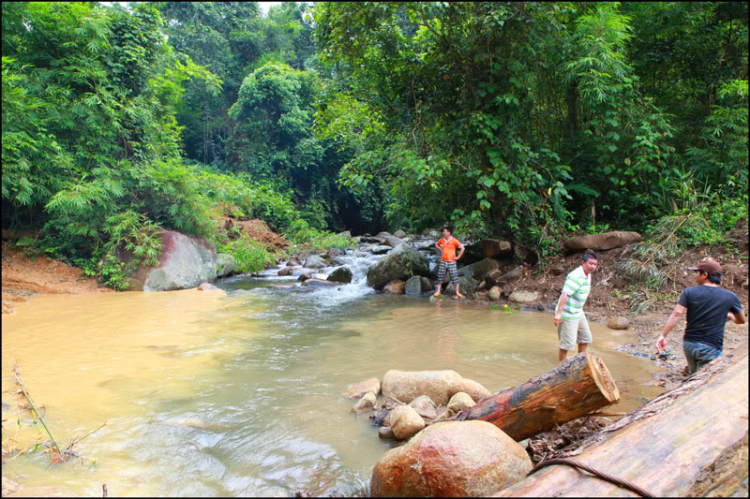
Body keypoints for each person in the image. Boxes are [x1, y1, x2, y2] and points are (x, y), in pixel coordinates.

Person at [656, 260, 745, 375]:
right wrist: (730, 316)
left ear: (705, 275)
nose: (695, 276)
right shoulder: (730, 297)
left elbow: (677, 313)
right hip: (711, 347)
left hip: (689, 344)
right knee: (706, 379)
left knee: (693, 376)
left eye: (697, 273)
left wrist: (663, 335)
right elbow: (741, 320)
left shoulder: (689, 292)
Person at [554, 251, 599, 361]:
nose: (593, 266)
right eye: (590, 263)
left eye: (595, 264)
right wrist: (558, 314)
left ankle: (580, 362)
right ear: (583, 262)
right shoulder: (575, 276)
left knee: (585, 338)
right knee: (567, 344)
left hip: (578, 311)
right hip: (568, 313)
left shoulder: (587, 274)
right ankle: (561, 366)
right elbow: (565, 295)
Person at [433, 226, 465, 299]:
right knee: (440, 276)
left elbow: (462, 248)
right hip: (443, 261)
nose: (443, 233)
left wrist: (458, 257)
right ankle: (438, 291)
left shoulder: (454, 240)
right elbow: (436, 244)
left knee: (454, 277)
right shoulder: (441, 240)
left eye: (444, 231)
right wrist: (441, 249)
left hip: (452, 262)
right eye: (443, 231)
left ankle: (457, 292)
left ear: (448, 233)